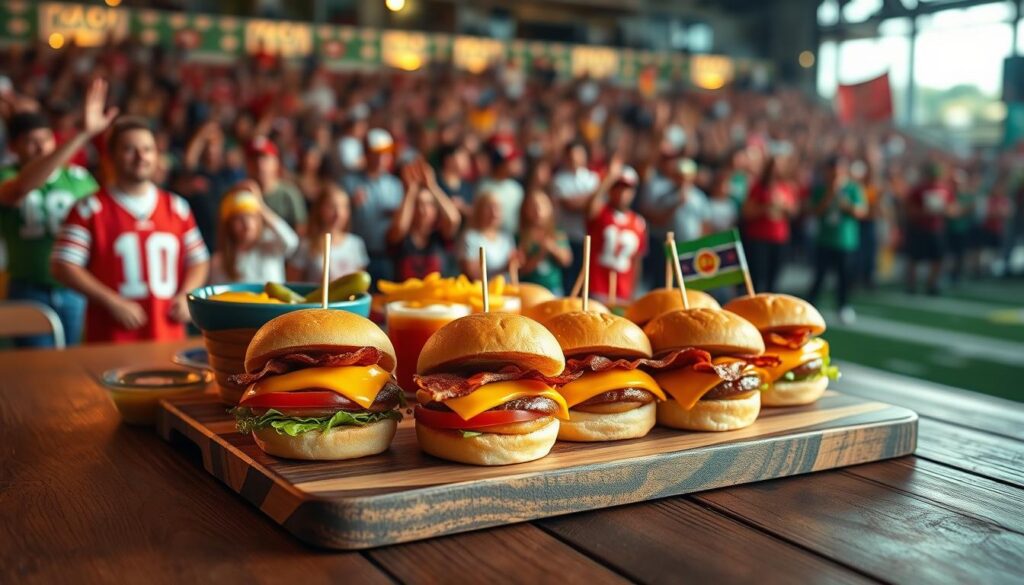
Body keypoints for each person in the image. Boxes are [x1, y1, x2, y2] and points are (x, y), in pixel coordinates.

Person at [51, 116, 210, 343]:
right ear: (111, 156)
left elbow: (199, 260)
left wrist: (187, 294)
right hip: (111, 338)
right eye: (129, 149)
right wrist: (112, 301)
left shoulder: (177, 207)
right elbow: (63, 265)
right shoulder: (90, 209)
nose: (140, 157)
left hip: (169, 334)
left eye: (147, 149)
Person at [0, 79, 116, 346]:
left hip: (75, 289)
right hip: (28, 289)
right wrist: (82, 134)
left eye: (46, 140)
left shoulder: (77, 177)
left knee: (70, 366)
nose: (41, 149)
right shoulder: (8, 177)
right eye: (31, 142)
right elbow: (22, 188)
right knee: (35, 371)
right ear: (14, 148)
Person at [807, 157, 867, 324]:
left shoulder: (853, 189)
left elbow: (861, 211)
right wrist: (829, 195)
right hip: (824, 240)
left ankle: (843, 306)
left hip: (845, 241)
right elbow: (814, 211)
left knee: (844, 277)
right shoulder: (820, 189)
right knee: (819, 276)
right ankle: (810, 308)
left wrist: (844, 203)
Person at [343, 128, 404, 285]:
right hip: (354, 255)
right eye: (375, 153)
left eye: (385, 154)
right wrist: (350, 205)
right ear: (366, 154)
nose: (380, 158)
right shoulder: (349, 182)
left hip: (385, 255)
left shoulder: (395, 185)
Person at [209, 180, 299, 284]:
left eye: (251, 216)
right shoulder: (219, 261)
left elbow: (292, 241)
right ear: (228, 225)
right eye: (238, 218)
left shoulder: (270, 245)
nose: (247, 224)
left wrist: (261, 206)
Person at [386, 157, 461, 280]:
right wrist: (410, 191)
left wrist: (432, 186)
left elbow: (453, 220)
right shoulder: (400, 238)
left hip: (436, 298)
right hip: (405, 298)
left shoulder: (440, 237)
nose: (423, 210)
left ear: (436, 210)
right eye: (417, 204)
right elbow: (399, 227)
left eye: (428, 204)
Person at [177, 120, 244, 251]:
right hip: (199, 242)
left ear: (222, 146)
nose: (210, 149)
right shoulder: (195, 174)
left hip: (225, 244)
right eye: (206, 145)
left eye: (214, 145)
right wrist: (201, 136)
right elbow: (188, 161)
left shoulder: (229, 173)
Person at [586, 163, 648, 301]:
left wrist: (633, 293)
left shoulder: (638, 222)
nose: (622, 193)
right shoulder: (601, 213)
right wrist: (608, 179)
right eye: (617, 187)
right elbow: (590, 208)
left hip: (623, 292)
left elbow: (637, 261)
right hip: (597, 288)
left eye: (627, 189)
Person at [289, 184, 368, 282]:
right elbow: (293, 284)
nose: (338, 213)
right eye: (331, 206)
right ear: (320, 209)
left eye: (343, 207)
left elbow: (361, 284)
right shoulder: (306, 245)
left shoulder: (356, 244)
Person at [741, 156, 798, 292]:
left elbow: (794, 212)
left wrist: (784, 206)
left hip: (779, 237)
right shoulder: (758, 188)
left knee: (774, 277)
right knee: (757, 276)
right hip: (759, 237)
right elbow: (747, 212)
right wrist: (766, 206)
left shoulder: (786, 188)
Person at [552, 142, 600, 283]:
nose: (575, 158)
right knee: (569, 281)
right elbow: (571, 206)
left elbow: (595, 210)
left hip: (589, 238)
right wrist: (594, 194)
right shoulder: (559, 180)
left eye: (578, 154)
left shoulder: (592, 178)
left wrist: (587, 199)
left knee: (586, 282)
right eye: (571, 155)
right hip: (567, 237)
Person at [905, 162, 956, 295]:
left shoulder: (945, 189)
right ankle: (912, 284)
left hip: (936, 228)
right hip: (920, 228)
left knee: (938, 258)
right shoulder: (919, 189)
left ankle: (932, 283)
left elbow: (952, 209)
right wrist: (925, 211)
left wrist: (945, 210)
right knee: (915, 258)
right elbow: (909, 210)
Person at [245, 136, 307, 236]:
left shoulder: (289, 194)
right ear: (247, 164)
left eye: (265, 158)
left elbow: (301, 231)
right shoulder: (242, 193)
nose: (259, 164)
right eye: (254, 158)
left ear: (276, 162)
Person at [517, 191, 572, 295]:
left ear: (549, 208)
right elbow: (521, 269)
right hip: (530, 289)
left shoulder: (557, 234)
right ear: (525, 210)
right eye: (533, 206)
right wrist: (540, 254)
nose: (537, 210)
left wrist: (552, 249)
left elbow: (566, 260)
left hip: (554, 288)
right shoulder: (521, 236)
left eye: (542, 206)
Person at [645, 158, 710, 243]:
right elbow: (657, 221)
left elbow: (705, 224)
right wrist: (676, 205)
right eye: (680, 176)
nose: (683, 179)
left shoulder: (699, 197)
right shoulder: (665, 195)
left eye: (687, 176)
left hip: (691, 246)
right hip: (669, 245)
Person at [460, 192, 515, 280]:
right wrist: (504, 268)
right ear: (479, 210)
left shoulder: (507, 237)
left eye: (497, 208)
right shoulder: (470, 238)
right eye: (489, 207)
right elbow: (473, 276)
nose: (494, 212)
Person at [476, 141, 524, 235]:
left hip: (511, 238)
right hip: (489, 236)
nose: (515, 163)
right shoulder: (484, 187)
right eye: (511, 161)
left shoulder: (516, 188)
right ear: (501, 164)